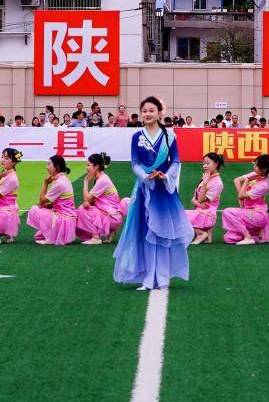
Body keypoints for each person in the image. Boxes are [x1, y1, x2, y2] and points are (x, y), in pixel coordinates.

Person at [113, 96, 192, 289]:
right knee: (146, 232)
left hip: (164, 191)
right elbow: (135, 163)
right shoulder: (136, 137)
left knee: (164, 234)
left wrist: (166, 176)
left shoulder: (169, 136)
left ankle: (163, 278)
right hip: (145, 189)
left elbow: (175, 161)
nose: (147, 114)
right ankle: (149, 278)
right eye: (144, 111)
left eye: (151, 110)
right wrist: (144, 176)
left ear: (159, 113)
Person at [76, 152, 129, 245]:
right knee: (87, 207)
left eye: (88, 165)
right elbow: (92, 200)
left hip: (112, 218)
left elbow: (87, 199)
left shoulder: (102, 180)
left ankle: (95, 238)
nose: (87, 168)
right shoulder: (102, 178)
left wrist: (85, 182)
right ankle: (110, 232)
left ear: (96, 166)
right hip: (113, 216)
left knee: (82, 209)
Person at [222, 154, 269, 245]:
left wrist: (246, 181)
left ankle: (247, 236)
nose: (254, 167)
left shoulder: (264, 185)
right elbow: (236, 180)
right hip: (248, 213)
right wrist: (241, 199)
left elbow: (241, 195)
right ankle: (255, 236)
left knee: (227, 212)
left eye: (256, 165)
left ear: (264, 169)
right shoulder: (255, 174)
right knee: (228, 238)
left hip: (258, 214)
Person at [27, 155, 78, 245]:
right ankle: (53, 235)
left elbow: (41, 201)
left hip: (64, 221)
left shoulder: (59, 183)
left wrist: (45, 183)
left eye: (49, 164)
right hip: (68, 221)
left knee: (34, 209)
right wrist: (50, 205)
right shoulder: (65, 179)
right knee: (39, 235)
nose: (46, 167)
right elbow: (63, 202)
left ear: (57, 167)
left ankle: (52, 238)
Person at [187, 152, 225, 245]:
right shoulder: (206, 178)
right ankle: (206, 234)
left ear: (215, 164)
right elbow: (193, 199)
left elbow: (199, 199)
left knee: (180, 215)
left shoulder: (217, 183)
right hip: (200, 212)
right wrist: (200, 203)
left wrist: (205, 183)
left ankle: (201, 234)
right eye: (203, 163)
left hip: (208, 215)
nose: (205, 166)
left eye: (208, 163)